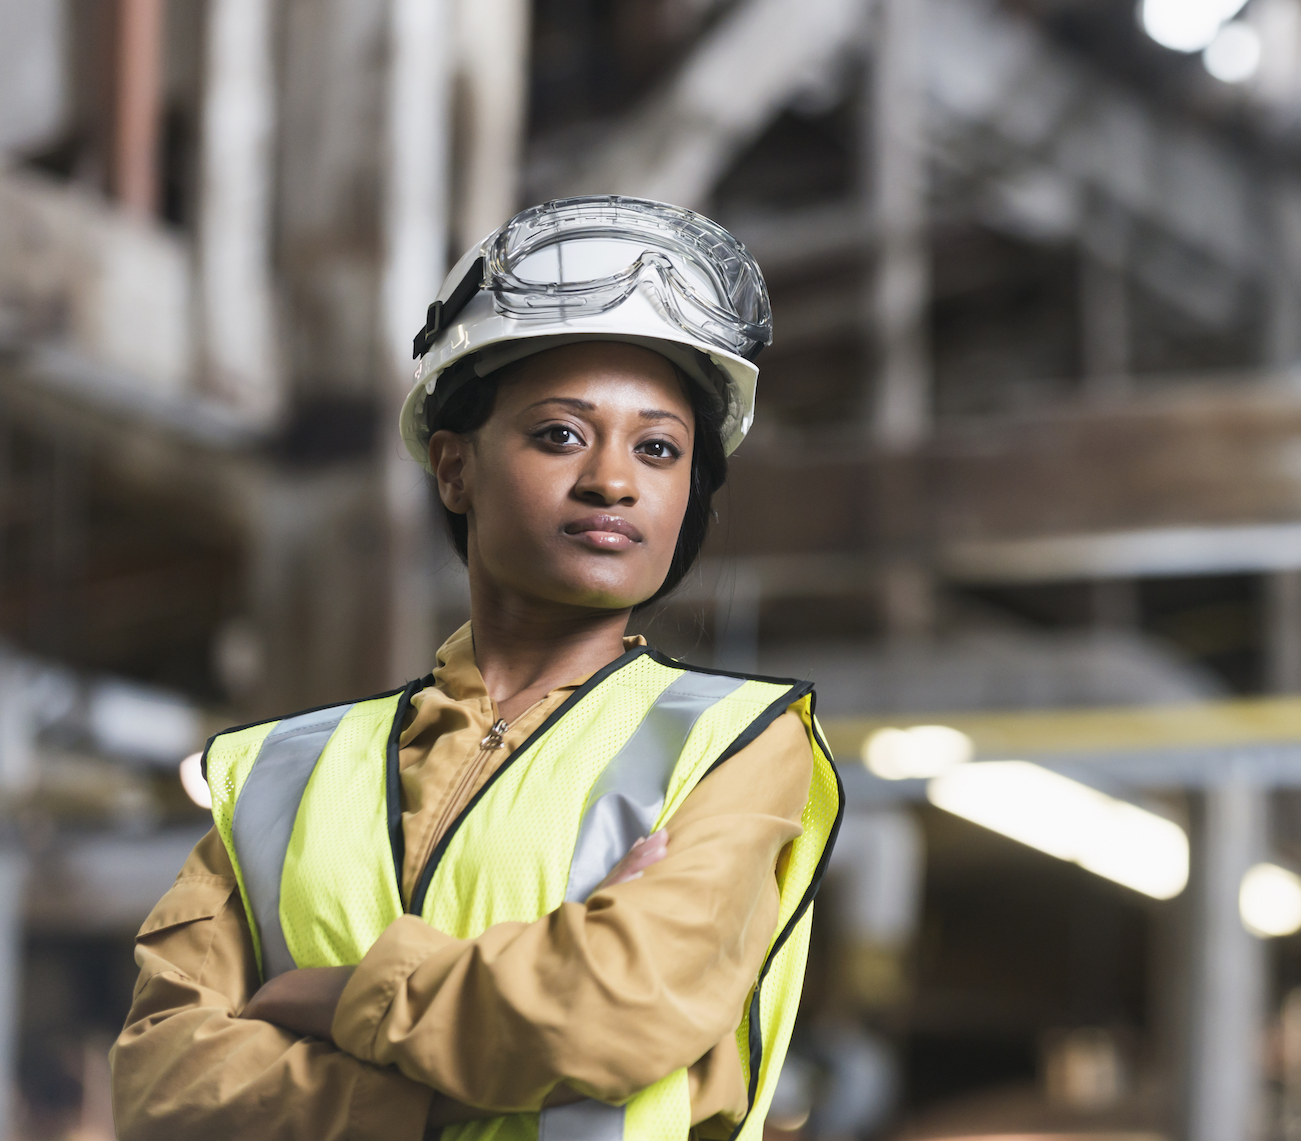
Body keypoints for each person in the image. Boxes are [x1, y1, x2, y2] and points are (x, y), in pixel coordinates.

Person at [112, 197, 843, 1141]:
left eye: (658, 448)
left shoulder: (732, 744)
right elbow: (162, 1088)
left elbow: (613, 1009)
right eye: (560, 435)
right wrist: (454, 1089)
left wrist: (334, 999)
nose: (613, 481)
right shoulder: (278, 773)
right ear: (455, 469)